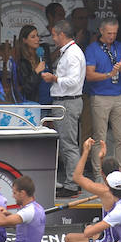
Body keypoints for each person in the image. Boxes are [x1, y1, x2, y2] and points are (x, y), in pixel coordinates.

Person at [55, 138, 121, 242]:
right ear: (119, 171)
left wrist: (86, 151)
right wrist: (101, 159)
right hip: (108, 234)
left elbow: (77, 177)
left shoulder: (104, 191)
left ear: (102, 174)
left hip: (109, 241)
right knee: (68, 238)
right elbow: (106, 176)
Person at [85, 17, 121, 177]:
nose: (112, 36)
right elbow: (89, 75)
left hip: (118, 95)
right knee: (100, 138)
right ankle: (99, 175)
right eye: (109, 33)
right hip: (100, 96)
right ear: (101, 31)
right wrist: (108, 74)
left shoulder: (120, 47)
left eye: (115, 33)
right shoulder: (92, 48)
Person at [47, 20, 86, 198]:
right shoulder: (70, 52)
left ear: (62, 34)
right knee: (67, 143)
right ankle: (73, 182)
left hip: (67, 102)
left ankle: (72, 185)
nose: (53, 39)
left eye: (54, 35)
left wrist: (54, 79)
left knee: (68, 144)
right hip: (66, 101)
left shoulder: (72, 54)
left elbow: (73, 81)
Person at [15, 25, 52, 103]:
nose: (37, 39)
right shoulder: (23, 62)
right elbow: (27, 88)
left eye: (37, 36)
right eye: (33, 37)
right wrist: (36, 71)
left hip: (49, 101)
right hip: (35, 103)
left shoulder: (42, 53)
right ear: (24, 40)